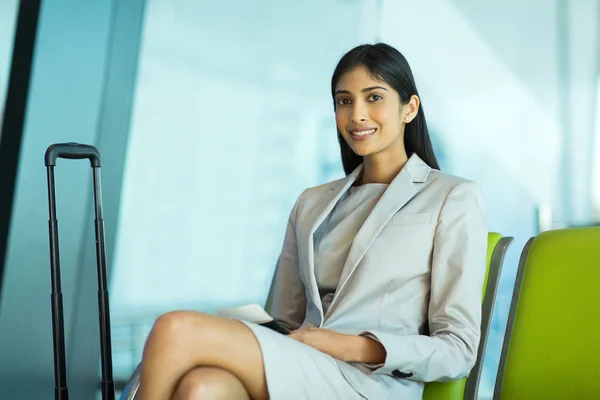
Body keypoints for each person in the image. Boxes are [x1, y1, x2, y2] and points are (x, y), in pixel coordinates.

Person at [137, 43, 487, 400]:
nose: (357, 115)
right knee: (202, 387)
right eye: (344, 101)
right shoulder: (311, 203)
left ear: (409, 108)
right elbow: (284, 319)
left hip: (371, 383)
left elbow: (457, 349)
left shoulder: (452, 197)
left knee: (175, 328)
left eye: (374, 97)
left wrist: (350, 346)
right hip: (304, 364)